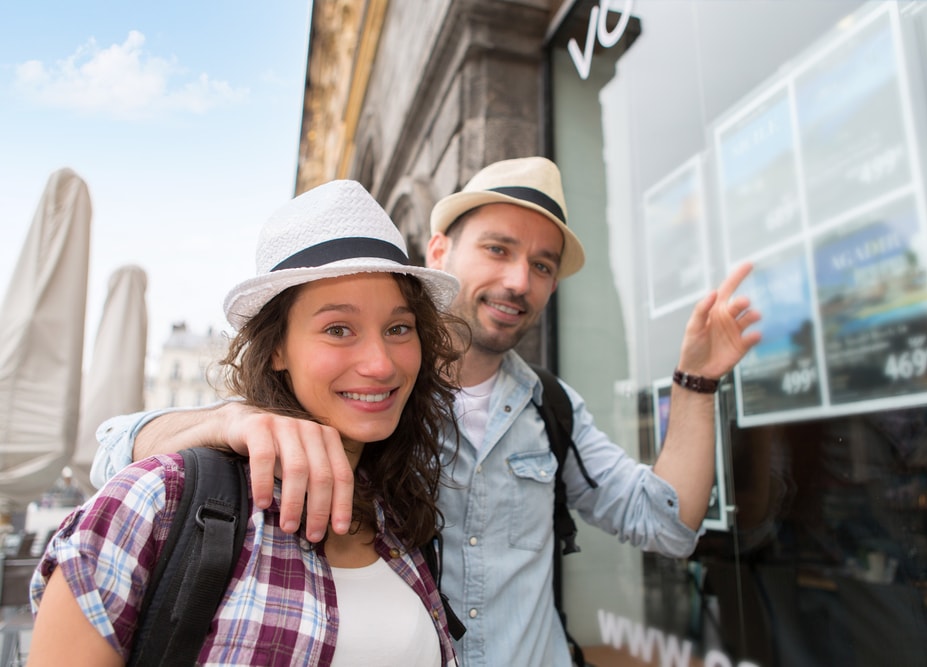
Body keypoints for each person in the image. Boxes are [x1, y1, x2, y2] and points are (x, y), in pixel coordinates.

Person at [92, 157, 762, 666]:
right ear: (439, 253)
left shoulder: (552, 409)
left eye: (542, 264)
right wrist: (231, 418)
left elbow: (667, 523)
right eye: (498, 249)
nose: (518, 281)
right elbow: (115, 450)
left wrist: (695, 383)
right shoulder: (369, 402)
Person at [30, 180, 465, 666]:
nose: (381, 364)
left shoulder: (396, 512)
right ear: (277, 348)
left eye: (398, 328)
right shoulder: (158, 500)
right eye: (338, 329)